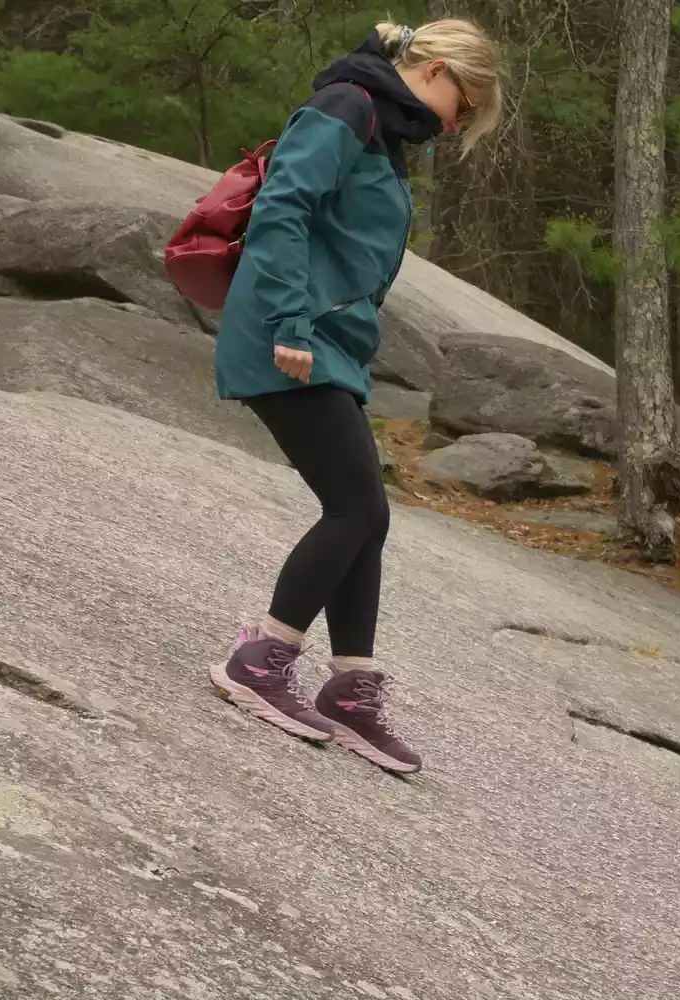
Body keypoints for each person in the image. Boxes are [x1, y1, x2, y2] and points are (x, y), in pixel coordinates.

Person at [210, 20, 503, 774]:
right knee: (357, 509)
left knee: (367, 515)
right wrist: (289, 322)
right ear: (435, 69)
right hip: (287, 333)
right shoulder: (349, 106)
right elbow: (283, 208)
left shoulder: (385, 133)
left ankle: (349, 688)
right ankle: (261, 659)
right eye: (463, 104)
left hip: (326, 340)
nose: (458, 123)